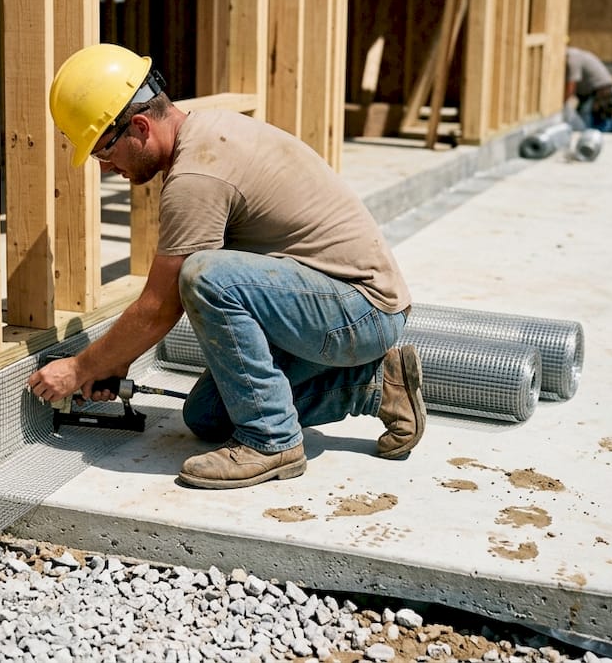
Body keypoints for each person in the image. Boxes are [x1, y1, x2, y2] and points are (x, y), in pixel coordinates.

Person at [26, 43, 425, 490]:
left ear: (139, 126)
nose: (106, 168)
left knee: (205, 276)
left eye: (104, 152)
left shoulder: (197, 177)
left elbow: (160, 306)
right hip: (337, 305)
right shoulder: (206, 134)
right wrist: (113, 361)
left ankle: (272, 441)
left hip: (361, 310)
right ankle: (372, 385)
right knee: (208, 417)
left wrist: (79, 369)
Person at [565, 46, 612, 133]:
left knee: (588, 129)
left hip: (602, 93)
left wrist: (560, 104)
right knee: (582, 124)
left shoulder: (572, 59)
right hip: (590, 95)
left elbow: (571, 87)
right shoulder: (572, 55)